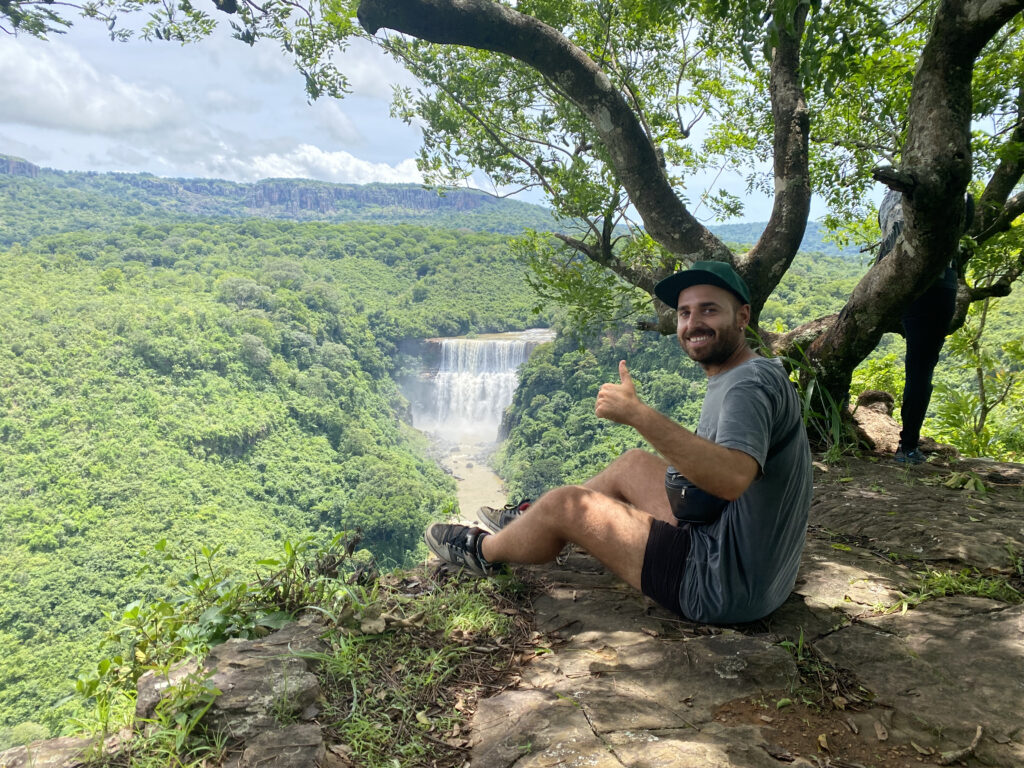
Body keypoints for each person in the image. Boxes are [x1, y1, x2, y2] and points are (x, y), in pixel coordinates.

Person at [424, 262, 813, 624]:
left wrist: (637, 414)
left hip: (718, 583)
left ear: (742, 316)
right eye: (684, 313)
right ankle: (529, 522)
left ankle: (483, 552)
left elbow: (731, 478)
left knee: (565, 504)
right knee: (632, 462)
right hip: (747, 564)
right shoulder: (743, 371)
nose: (693, 323)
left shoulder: (748, 385)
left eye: (709, 310)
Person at [876, 189, 963, 465]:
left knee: (856, 336)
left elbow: (886, 236)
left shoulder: (890, 197)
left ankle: (836, 405)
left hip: (889, 279)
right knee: (920, 369)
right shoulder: (958, 193)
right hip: (936, 286)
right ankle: (908, 446)